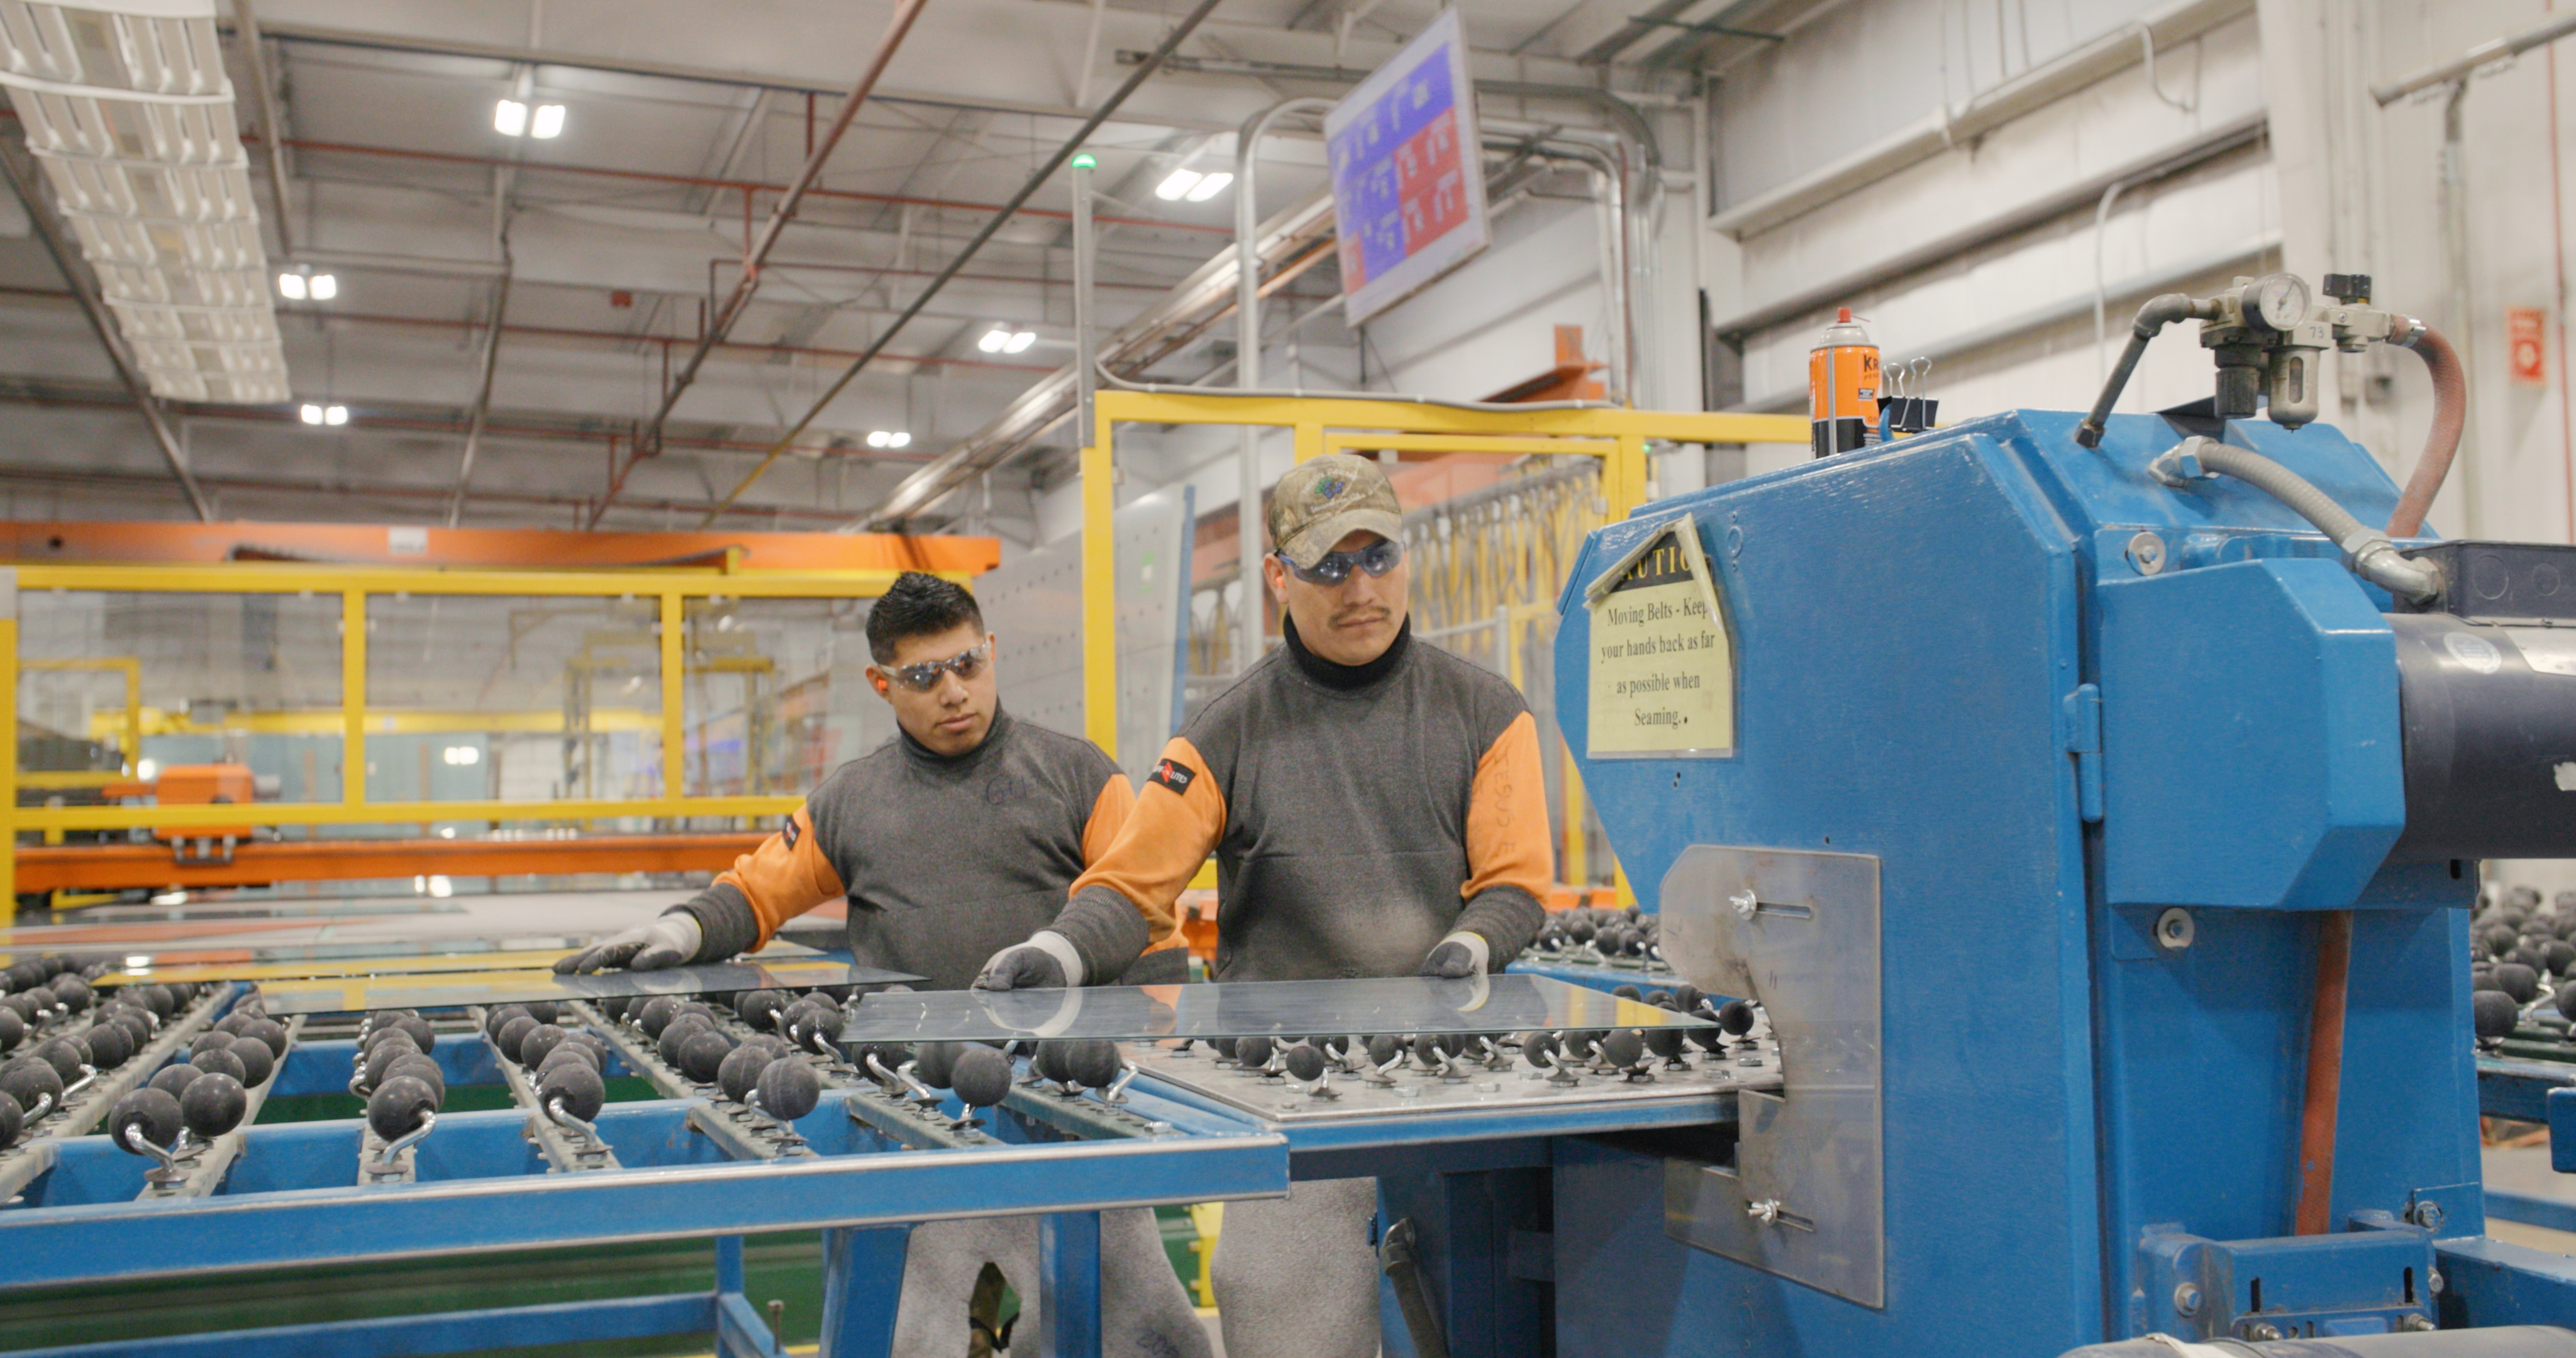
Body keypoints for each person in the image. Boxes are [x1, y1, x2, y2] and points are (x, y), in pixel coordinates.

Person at [974, 453, 1556, 1358]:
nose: (1359, 588)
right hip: (1293, 1100)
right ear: (1279, 577)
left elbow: (1516, 883)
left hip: (1448, 1092)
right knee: (1285, 1324)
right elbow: (1134, 887)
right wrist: (1056, 951)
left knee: (1471, 1324)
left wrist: (1471, 949)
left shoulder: (1485, 711)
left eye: (1378, 559)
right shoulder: (1228, 727)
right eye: (1329, 566)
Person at [555, 570, 1201, 1356]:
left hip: (1068, 1118)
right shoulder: (852, 801)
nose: (954, 692)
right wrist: (680, 932)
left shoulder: (1079, 775)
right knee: (931, 1337)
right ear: (881, 684)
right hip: (920, 1125)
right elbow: (757, 895)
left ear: (990, 650)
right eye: (924, 677)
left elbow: (1148, 926)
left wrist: (1143, 1078)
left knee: (1145, 1333)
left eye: (968, 666)